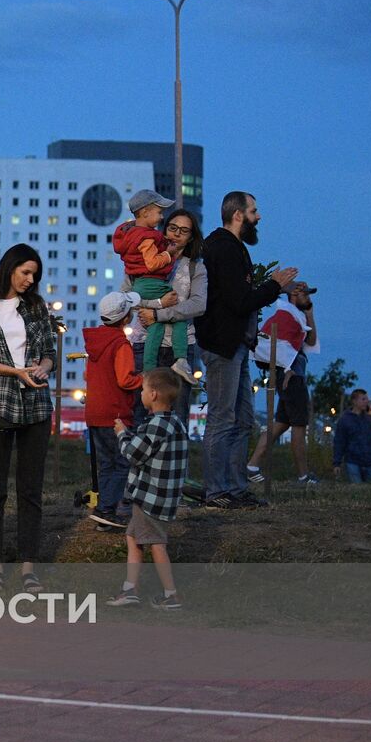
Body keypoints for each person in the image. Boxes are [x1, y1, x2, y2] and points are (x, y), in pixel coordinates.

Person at [194, 191, 298, 509]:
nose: (258, 216)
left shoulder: (232, 247)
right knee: (223, 418)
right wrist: (273, 286)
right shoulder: (224, 248)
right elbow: (239, 301)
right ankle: (217, 491)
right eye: (254, 211)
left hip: (235, 345)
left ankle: (236, 488)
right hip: (222, 345)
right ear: (238, 214)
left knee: (242, 420)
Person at [0, 244, 56, 594]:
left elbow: (49, 352)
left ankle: (28, 567)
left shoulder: (36, 306)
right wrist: (17, 372)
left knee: (30, 490)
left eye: (34, 275)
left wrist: (42, 368)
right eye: (25, 272)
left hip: (36, 406)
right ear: (9, 268)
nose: (30, 280)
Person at [105, 368, 187, 611]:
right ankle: (130, 589)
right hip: (163, 496)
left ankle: (171, 594)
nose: (140, 394)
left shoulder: (156, 425)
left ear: (153, 394)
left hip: (150, 496)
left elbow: (133, 454)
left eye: (142, 390)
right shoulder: (174, 423)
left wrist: (121, 434)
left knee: (156, 543)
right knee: (133, 537)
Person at [125, 208, 205, 428]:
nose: (176, 234)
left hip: (180, 349)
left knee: (176, 415)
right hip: (143, 344)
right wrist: (157, 304)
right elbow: (126, 298)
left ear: (191, 237)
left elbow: (198, 304)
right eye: (172, 228)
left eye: (184, 231)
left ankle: (173, 452)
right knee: (140, 412)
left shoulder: (195, 267)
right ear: (164, 229)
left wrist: (158, 315)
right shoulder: (143, 260)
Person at [113, 190, 195, 383]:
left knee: (155, 326)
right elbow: (151, 265)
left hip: (142, 287)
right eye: (159, 213)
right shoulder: (147, 238)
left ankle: (148, 369)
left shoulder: (132, 237)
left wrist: (155, 312)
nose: (161, 217)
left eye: (184, 231)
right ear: (145, 212)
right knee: (179, 317)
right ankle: (181, 359)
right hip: (151, 284)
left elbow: (199, 304)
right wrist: (167, 254)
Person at [247, 281, 320, 485]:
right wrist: (287, 369)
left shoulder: (297, 318)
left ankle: (252, 466)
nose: (309, 298)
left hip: (291, 374)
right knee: (299, 424)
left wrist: (310, 314)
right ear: (294, 295)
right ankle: (303, 475)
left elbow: (311, 341)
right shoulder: (285, 317)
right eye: (305, 295)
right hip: (292, 377)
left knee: (281, 423)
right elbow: (278, 348)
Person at [83, 291, 145, 531]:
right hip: (116, 413)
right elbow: (125, 380)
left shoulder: (95, 343)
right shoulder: (121, 344)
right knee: (121, 463)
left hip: (94, 413)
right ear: (126, 317)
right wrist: (144, 379)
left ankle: (103, 513)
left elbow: (89, 374)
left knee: (106, 463)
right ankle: (107, 510)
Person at [333, 389, 371, 484]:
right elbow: (339, 441)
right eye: (363, 399)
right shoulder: (345, 419)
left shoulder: (370, 417)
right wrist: (336, 463)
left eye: (367, 399)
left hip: (370, 461)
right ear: (354, 401)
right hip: (352, 462)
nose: (366, 402)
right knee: (356, 489)